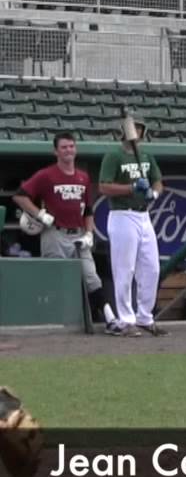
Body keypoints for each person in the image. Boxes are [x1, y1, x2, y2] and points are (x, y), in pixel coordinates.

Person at [14, 132, 120, 332]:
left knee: (92, 278)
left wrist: (89, 233)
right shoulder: (47, 175)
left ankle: (110, 319)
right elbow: (20, 196)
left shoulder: (83, 177)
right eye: (64, 147)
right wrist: (40, 214)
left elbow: (88, 210)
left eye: (71, 146)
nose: (68, 150)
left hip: (79, 234)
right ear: (56, 151)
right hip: (55, 233)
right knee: (54, 277)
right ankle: (51, 323)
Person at [98, 118, 166, 337]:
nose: (135, 131)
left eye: (139, 128)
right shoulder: (114, 155)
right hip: (122, 215)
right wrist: (131, 188)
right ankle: (126, 320)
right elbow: (103, 187)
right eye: (133, 127)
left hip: (144, 215)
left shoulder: (146, 156)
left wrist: (153, 194)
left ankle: (145, 316)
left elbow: (158, 181)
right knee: (124, 269)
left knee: (152, 268)